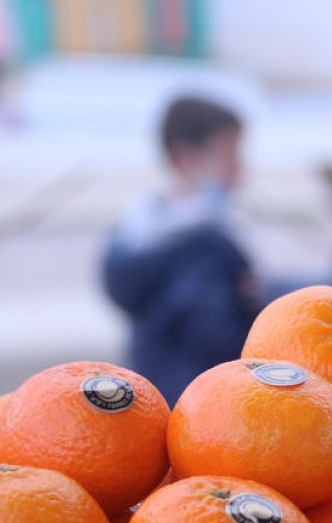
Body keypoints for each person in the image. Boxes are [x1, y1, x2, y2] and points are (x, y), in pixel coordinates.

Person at [102, 96, 257, 403]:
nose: (240, 166)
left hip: (155, 385)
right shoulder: (203, 247)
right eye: (229, 153)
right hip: (205, 398)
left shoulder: (139, 228)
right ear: (183, 157)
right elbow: (217, 335)